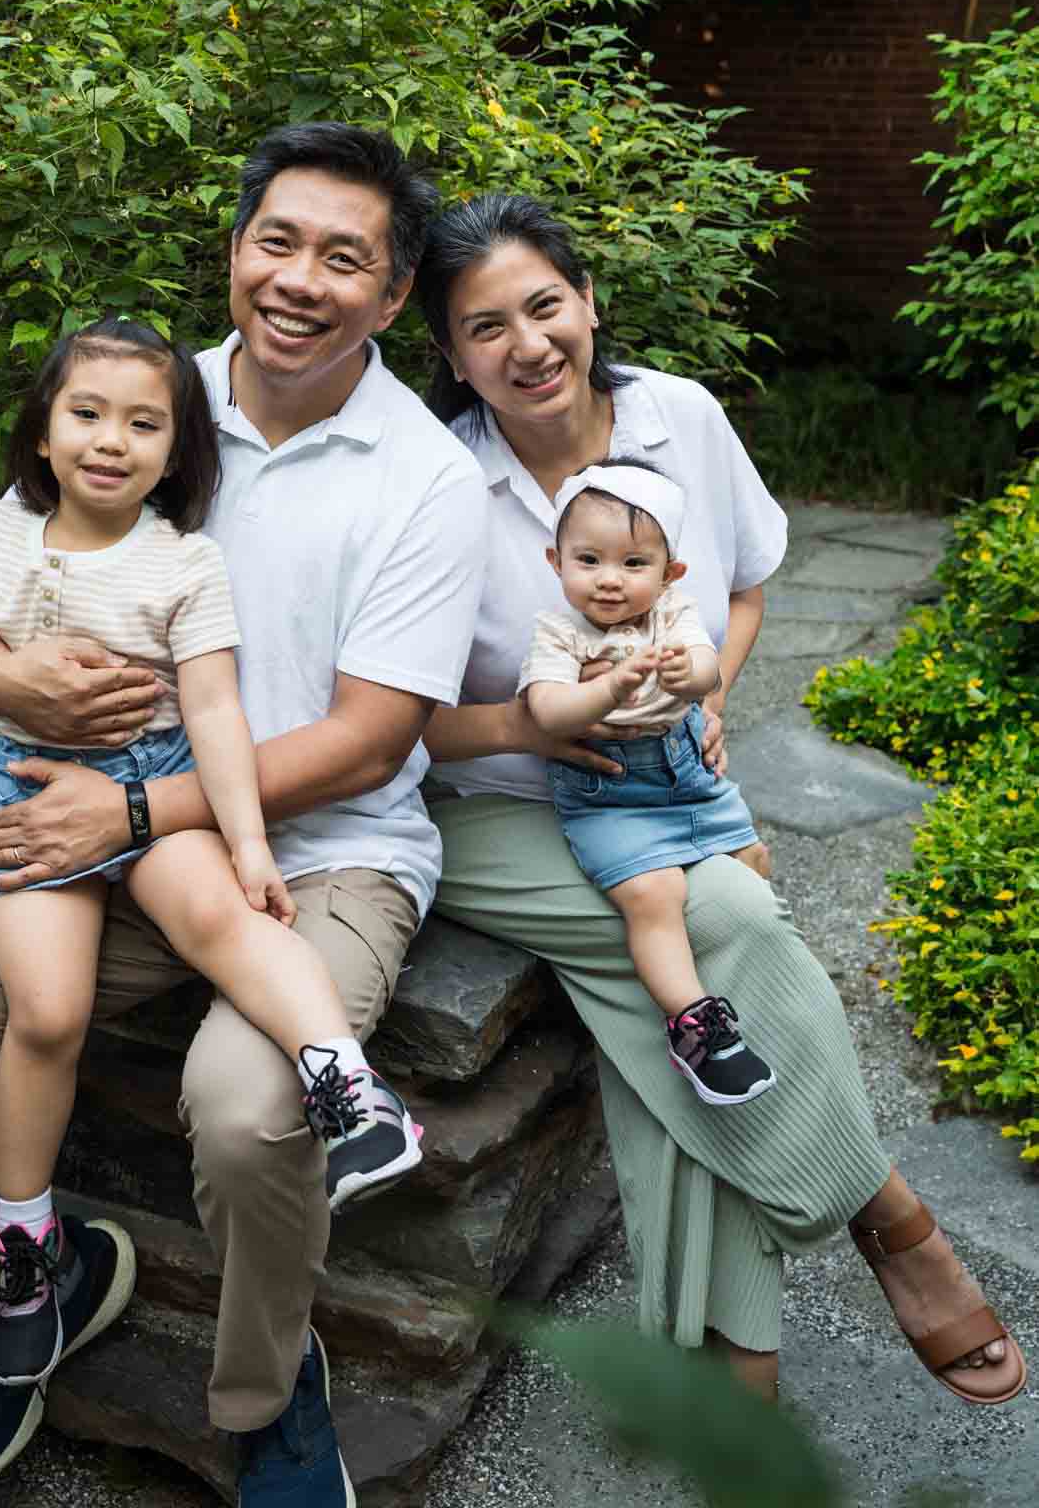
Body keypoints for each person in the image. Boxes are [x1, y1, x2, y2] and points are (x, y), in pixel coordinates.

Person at [0, 126, 488, 1502]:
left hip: (314, 853)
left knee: (250, 1105)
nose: (302, 279)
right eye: (280, 239)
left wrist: (132, 804)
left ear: (390, 299)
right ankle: (32, 1288)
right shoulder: (141, 398)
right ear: (235, 246)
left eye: (346, 259)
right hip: (80, 825)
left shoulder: (430, 481)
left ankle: (266, 1390)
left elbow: (369, 736)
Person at [413, 190, 1026, 1409]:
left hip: (664, 784)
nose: (526, 343)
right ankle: (890, 1215)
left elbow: (739, 585)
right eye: (485, 327)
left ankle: (725, 1363)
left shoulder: (676, 416)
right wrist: (536, 721)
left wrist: (706, 690)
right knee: (731, 928)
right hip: (488, 800)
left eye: (544, 305)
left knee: (678, 1025)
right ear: (446, 352)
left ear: (587, 301)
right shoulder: (436, 485)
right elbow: (397, 717)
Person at [0, 316, 423, 1391]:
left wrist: (249, 843)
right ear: (40, 433)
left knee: (221, 916)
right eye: (86, 413)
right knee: (46, 1010)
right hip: (28, 795)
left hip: (154, 791)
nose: (111, 439)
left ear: (178, 452)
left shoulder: (184, 562)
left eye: (143, 422)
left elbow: (216, 714)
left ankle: (350, 1088)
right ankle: (25, 1248)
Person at [522, 457, 774, 1105]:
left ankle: (745, 989)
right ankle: (694, 1027)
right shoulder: (558, 632)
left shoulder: (673, 614)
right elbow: (547, 711)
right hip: (610, 799)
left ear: (669, 575)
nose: (609, 581)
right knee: (652, 894)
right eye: (588, 560)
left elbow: (704, 672)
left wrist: (683, 675)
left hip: (689, 775)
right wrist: (608, 687)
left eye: (633, 564)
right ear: (556, 563)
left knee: (751, 862)